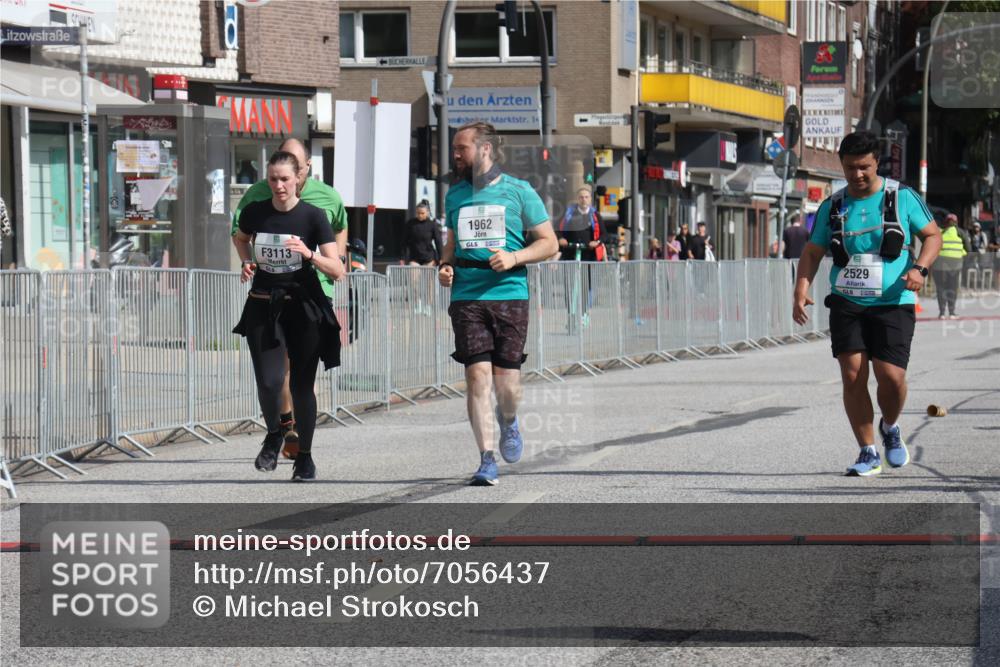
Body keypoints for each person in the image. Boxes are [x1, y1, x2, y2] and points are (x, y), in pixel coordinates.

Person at [793, 130, 941, 477]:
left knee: (890, 377)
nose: (857, 175)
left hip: (894, 300)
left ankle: (890, 427)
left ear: (877, 163)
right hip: (848, 300)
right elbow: (813, 251)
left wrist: (919, 267)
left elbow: (932, 235)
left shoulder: (901, 197)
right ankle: (867, 451)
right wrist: (801, 289)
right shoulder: (834, 204)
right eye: (849, 168)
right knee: (853, 375)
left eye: (864, 168)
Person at [438, 121, 558, 486]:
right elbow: (453, 240)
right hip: (468, 294)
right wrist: (445, 264)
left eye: (462, 148)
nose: (455, 155)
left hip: (508, 293)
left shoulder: (519, 191)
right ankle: (486, 459)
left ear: (485, 149)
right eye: (455, 149)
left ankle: (509, 420)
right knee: (476, 376)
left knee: (507, 386)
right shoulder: (455, 194)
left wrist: (515, 257)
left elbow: (549, 243)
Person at [232, 151, 346, 481]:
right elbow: (241, 238)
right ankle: (275, 433)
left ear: (298, 179)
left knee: (300, 387)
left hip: (303, 306)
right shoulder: (255, 213)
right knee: (269, 382)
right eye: (273, 179)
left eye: (285, 179)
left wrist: (309, 254)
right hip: (264, 304)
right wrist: (246, 262)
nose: (279, 186)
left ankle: (305, 458)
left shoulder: (313, 216)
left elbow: (337, 269)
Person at [932, 212, 966, 319]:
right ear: (956, 222)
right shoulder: (960, 232)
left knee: (941, 288)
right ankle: (951, 313)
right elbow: (969, 248)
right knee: (952, 287)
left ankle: (942, 313)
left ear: (945, 222)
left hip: (940, 264)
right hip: (955, 264)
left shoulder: (940, 232)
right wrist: (962, 252)